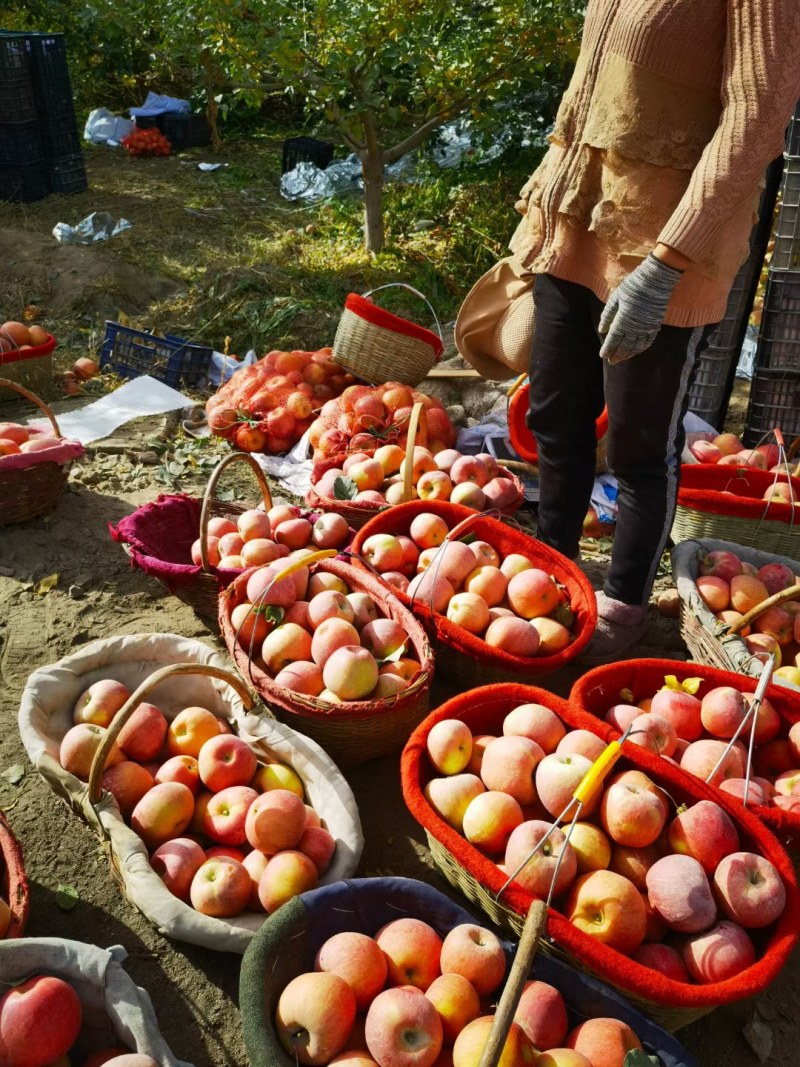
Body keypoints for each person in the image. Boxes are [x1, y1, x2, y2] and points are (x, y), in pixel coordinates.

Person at [509, 0, 800, 663]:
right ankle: (550, 571)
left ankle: (623, 601)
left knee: (640, 445)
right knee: (556, 416)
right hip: (581, 222)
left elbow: (757, 119)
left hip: (662, 246)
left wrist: (666, 265)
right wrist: (547, 212)